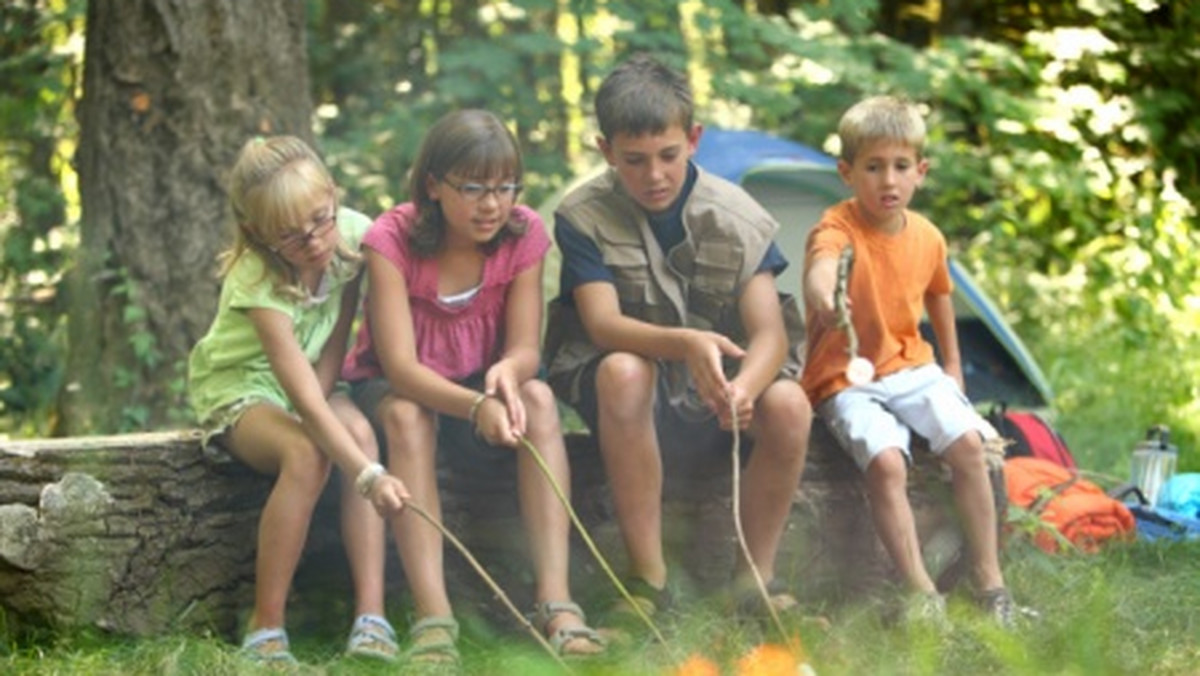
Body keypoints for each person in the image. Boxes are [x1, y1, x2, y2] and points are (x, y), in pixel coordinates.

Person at [543, 53, 812, 624]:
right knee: (622, 368)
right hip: (632, 395)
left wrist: (744, 389)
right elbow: (602, 325)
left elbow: (770, 335)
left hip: (717, 395)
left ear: (693, 139)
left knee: (789, 403)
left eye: (667, 155)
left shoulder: (738, 215)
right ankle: (648, 581)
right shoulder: (581, 215)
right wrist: (689, 342)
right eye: (634, 161)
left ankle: (755, 579)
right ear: (606, 150)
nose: (654, 175)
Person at [341, 109, 606, 664]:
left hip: (479, 383)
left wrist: (506, 376)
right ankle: (434, 616)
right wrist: (476, 405)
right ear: (434, 186)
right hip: (397, 385)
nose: (493, 205)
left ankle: (555, 602)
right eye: (475, 189)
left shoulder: (523, 232)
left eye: (506, 187)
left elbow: (525, 349)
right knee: (407, 417)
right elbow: (399, 364)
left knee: (536, 398)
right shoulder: (390, 239)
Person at [187, 135, 411, 665]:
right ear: (257, 234)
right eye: (291, 236)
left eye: (321, 219)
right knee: (308, 454)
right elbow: (300, 403)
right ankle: (266, 629)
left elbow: (337, 337)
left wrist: (343, 422)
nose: (313, 242)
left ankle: (371, 617)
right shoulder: (255, 278)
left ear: (334, 194)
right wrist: (369, 476)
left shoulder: (354, 237)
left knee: (359, 434)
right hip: (244, 386)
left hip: (316, 378)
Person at [800, 95, 1016, 627]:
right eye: (872, 167)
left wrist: (954, 364)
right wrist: (824, 298)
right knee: (888, 461)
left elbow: (941, 295)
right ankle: (922, 593)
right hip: (845, 379)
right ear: (847, 173)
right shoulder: (838, 227)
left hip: (912, 367)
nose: (887, 181)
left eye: (900, 167)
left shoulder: (927, 236)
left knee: (970, 445)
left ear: (920, 172)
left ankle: (990, 582)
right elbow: (820, 268)